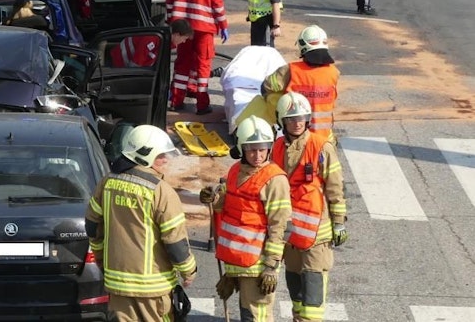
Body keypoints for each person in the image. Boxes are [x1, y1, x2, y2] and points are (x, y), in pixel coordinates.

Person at [85, 125, 197, 322]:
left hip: (118, 287)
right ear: (145, 155)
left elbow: (93, 226)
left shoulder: (106, 183)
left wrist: (102, 259)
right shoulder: (161, 191)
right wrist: (188, 270)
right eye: (161, 155)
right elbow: (175, 242)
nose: (166, 160)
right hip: (153, 290)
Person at [201, 116, 291, 322]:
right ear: (241, 148)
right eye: (251, 150)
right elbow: (228, 209)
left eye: (262, 149)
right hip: (238, 262)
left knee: (255, 316)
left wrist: (271, 266)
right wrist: (213, 199)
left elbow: (280, 226)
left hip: (258, 265)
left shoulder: (274, 180)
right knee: (246, 315)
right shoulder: (235, 171)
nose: (258, 155)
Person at [272, 92, 347, 321]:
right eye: (292, 118)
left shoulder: (321, 147)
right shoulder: (276, 147)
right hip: (290, 233)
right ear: (282, 121)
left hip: (317, 234)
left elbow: (335, 188)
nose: (297, 122)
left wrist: (339, 223)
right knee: (294, 282)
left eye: (302, 118)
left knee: (313, 287)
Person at [166, 0, 228, 114]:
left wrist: (171, 23)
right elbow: (217, 5)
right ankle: (202, 105)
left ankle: (176, 101)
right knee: (203, 66)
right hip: (203, 29)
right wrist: (223, 25)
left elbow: (169, 2)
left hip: (183, 30)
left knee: (182, 64)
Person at [261, 25, 340, 143]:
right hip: (324, 138)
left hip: (296, 134)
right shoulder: (334, 72)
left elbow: (266, 87)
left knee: (271, 97)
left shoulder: (290, 70)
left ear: (302, 46)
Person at [109, 19, 193, 68]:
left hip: (123, 64)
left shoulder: (162, 40)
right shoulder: (152, 39)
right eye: (184, 38)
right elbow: (136, 64)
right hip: (117, 64)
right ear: (177, 34)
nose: (184, 41)